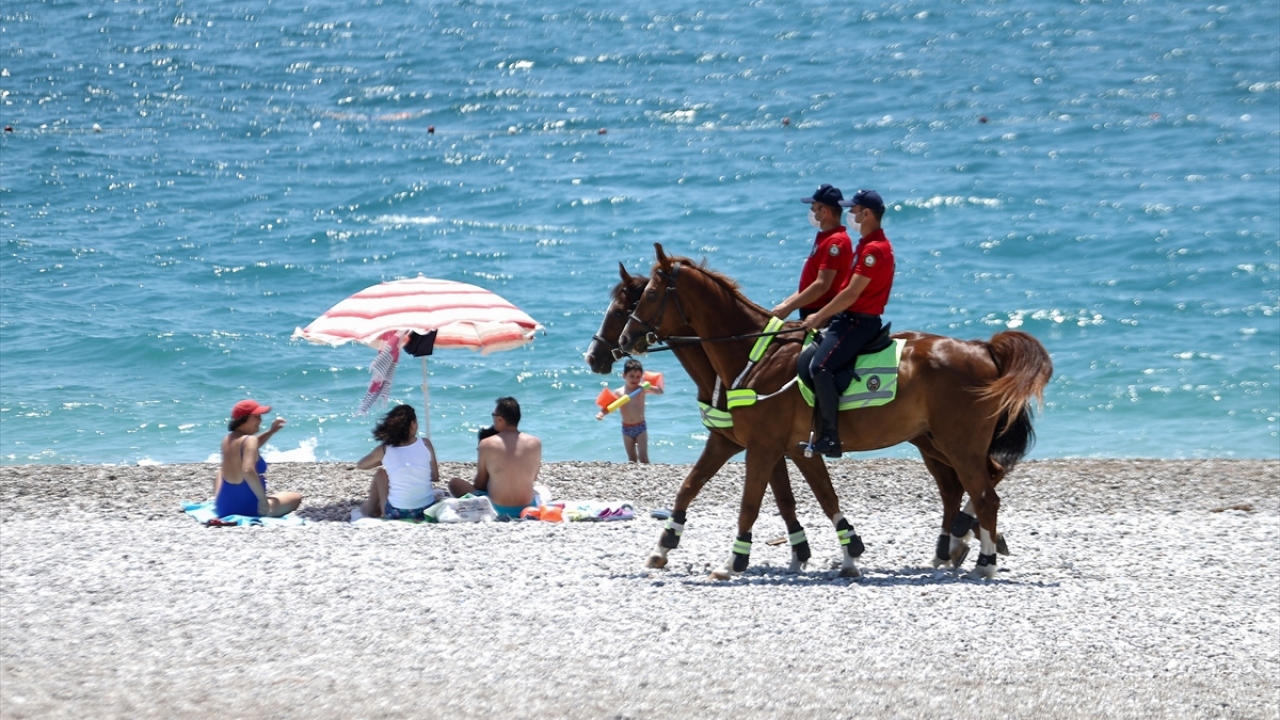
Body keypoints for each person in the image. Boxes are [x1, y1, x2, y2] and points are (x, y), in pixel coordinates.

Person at [797, 189, 895, 457]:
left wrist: (818, 316)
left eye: (854, 210)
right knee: (809, 358)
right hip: (847, 319)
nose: (850, 214)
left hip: (858, 322)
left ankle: (831, 437)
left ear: (866, 214)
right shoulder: (866, 245)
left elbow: (851, 293)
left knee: (821, 366)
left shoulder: (873, 249)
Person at [770, 183, 855, 322]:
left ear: (824, 212)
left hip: (823, 316)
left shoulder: (836, 242)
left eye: (813, 207)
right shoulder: (825, 238)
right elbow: (809, 285)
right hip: (810, 314)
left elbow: (822, 285)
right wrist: (784, 304)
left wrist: (789, 308)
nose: (811, 211)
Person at [449, 397, 543, 520]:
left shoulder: (487, 444)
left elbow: (480, 484)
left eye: (493, 415)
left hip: (496, 508)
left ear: (500, 419)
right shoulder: (535, 443)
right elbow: (534, 477)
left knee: (454, 483)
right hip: (527, 507)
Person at [216, 400, 303, 517]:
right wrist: (262, 500)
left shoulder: (227, 439)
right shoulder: (249, 440)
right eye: (256, 417)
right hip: (250, 508)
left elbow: (250, 447)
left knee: (221, 472)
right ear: (243, 419)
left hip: (224, 508)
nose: (260, 420)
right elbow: (247, 470)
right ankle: (261, 504)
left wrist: (272, 431)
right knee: (295, 497)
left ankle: (218, 499)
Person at [354, 404, 440, 520]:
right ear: (413, 424)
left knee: (381, 474)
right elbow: (435, 476)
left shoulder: (385, 449)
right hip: (426, 509)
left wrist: (385, 461)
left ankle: (369, 512)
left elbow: (361, 465)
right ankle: (371, 509)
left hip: (398, 513)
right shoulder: (426, 444)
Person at [596, 359, 664, 463]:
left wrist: (649, 386)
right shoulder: (619, 392)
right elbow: (610, 406)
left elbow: (660, 392)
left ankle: (647, 476)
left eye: (638, 377)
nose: (635, 379)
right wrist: (601, 414)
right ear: (624, 376)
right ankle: (635, 478)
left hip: (640, 427)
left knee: (643, 457)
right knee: (632, 459)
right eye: (631, 376)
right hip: (626, 429)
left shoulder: (641, 390)